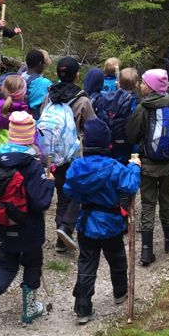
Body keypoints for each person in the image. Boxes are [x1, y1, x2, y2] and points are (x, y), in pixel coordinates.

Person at [0, 111, 54, 336]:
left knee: (7, 265)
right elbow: (41, 201)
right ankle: (29, 309)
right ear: (31, 136)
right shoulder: (32, 163)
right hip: (29, 227)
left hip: (3, 224)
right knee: (32, 263)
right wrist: (49, 184)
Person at [63, 118, 141, 324]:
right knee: (117, 260)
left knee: (87, 263)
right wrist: (134, 167)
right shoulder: (114, 167)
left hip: (86, 222)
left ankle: (82, 308)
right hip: (111, 223)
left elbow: (69, 190)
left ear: (85, 143)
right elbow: (130, 186)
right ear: (108, 143)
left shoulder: (76, 167)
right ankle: (120, 292)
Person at [125, 69, 169, 266]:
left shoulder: (143, 108)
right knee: (166, 201)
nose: (140, 85)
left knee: (148, 204)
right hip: (168, 166)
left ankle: (146, 251)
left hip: (147, 165)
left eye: (144, 83)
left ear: (152, 87)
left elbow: (131, 134)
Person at [43, 57, 97, 253]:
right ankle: (65, 228)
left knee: (62, 193)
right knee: (78, 191)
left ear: (58, 74)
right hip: (73, 155)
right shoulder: (83, 100)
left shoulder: (50, 96)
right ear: (77, 75)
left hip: (52, 154)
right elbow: (92, 126)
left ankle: (61, 234)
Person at [22, 49, 54, 119]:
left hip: (18, 117)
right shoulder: (45, 83)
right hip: (35, 119)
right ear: (40, 63)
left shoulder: (19, 77)